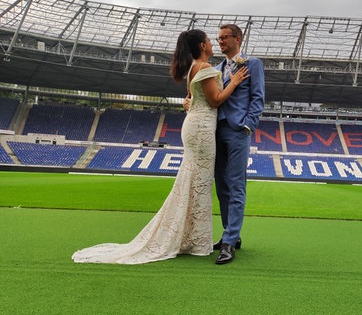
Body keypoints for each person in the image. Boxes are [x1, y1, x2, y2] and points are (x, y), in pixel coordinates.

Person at [71, 29, 249, 264]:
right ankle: (194, 238)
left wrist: (189, 103)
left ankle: (191, 236)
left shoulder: (196, 67)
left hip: (197, 126)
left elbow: (194, 98)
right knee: (200, 183)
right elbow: (215, 100)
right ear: (201, 45)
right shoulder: (205, 68)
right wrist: (234, 82)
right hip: (202, 130)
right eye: (209, 40)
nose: (213, 43)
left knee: (195, 181)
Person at [212, 24, 265, 264]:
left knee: (236, 185)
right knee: (222, 186)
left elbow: (257, 97)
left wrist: (247, 125)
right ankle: (230, 234)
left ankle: (229, 242)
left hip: (237, 131)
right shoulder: (216, 69)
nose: (220, 41)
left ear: (238, 38)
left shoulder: (252, 64)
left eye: (225, 38)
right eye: (218, 38)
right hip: (215, 131)